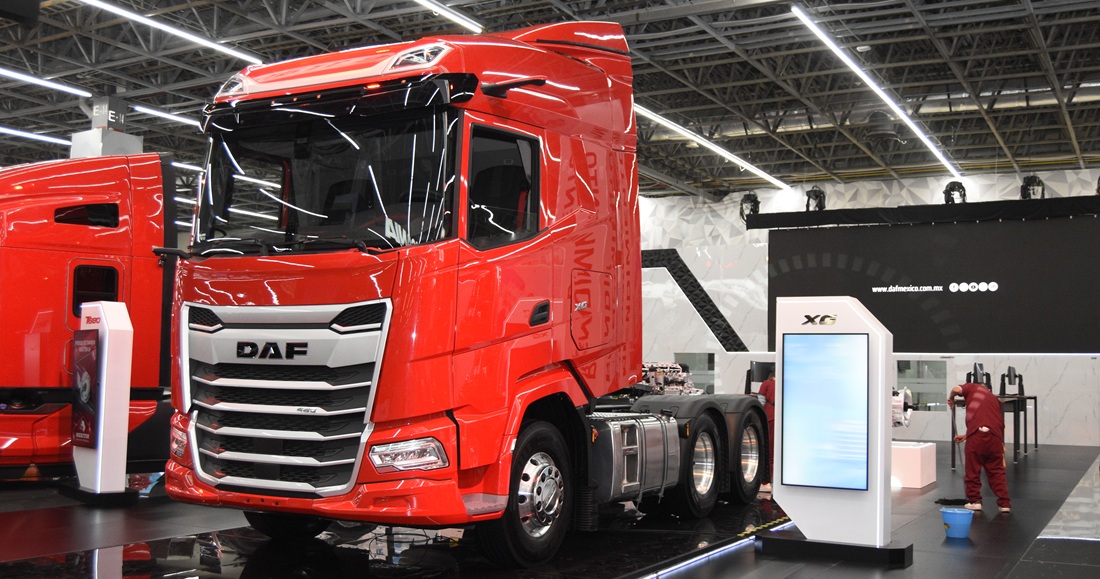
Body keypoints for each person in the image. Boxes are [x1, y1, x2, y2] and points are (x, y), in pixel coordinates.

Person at [948, 382, 1011, 513]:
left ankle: (974, 501)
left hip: (977, 438)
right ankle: (1004, 503)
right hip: (995, 438)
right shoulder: (994, 399)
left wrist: (951, 398)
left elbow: (956, 389)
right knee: (997, 471)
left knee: (973, 469)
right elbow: (988, 423)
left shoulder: (972, 387)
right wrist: (967, 435)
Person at [758, 370, 776, 493]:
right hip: (782, 417)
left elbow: (761, 402)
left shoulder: (766, 384)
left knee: (769, 450)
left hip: (770, 417)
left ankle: (766, 482)